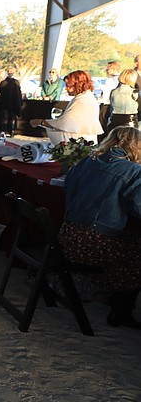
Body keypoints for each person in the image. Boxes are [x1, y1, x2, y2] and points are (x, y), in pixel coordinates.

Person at [58, 126, 141, 329]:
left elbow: (67, 187)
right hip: (91, 245)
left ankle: (112, 294)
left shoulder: (88, 160)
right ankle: (120, 310)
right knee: (137, 250)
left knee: (129, 242)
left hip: (66, 236)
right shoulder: (133, 171)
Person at [30, 70, 103, 145]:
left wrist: (41, 122)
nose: (66, 89)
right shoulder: (87, 97)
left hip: (78, 141)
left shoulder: (82, 100)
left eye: (68, 86)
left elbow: (64, 123)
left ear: (78, 85)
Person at [0, 68, 22, 134]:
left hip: (4, 103)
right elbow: (19, 93)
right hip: (14, 103)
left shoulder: (3, 82)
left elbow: (0, 90)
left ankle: (4, 130)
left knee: (4, 118)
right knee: (12, 117)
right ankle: (12, 131)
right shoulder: (16, 82)